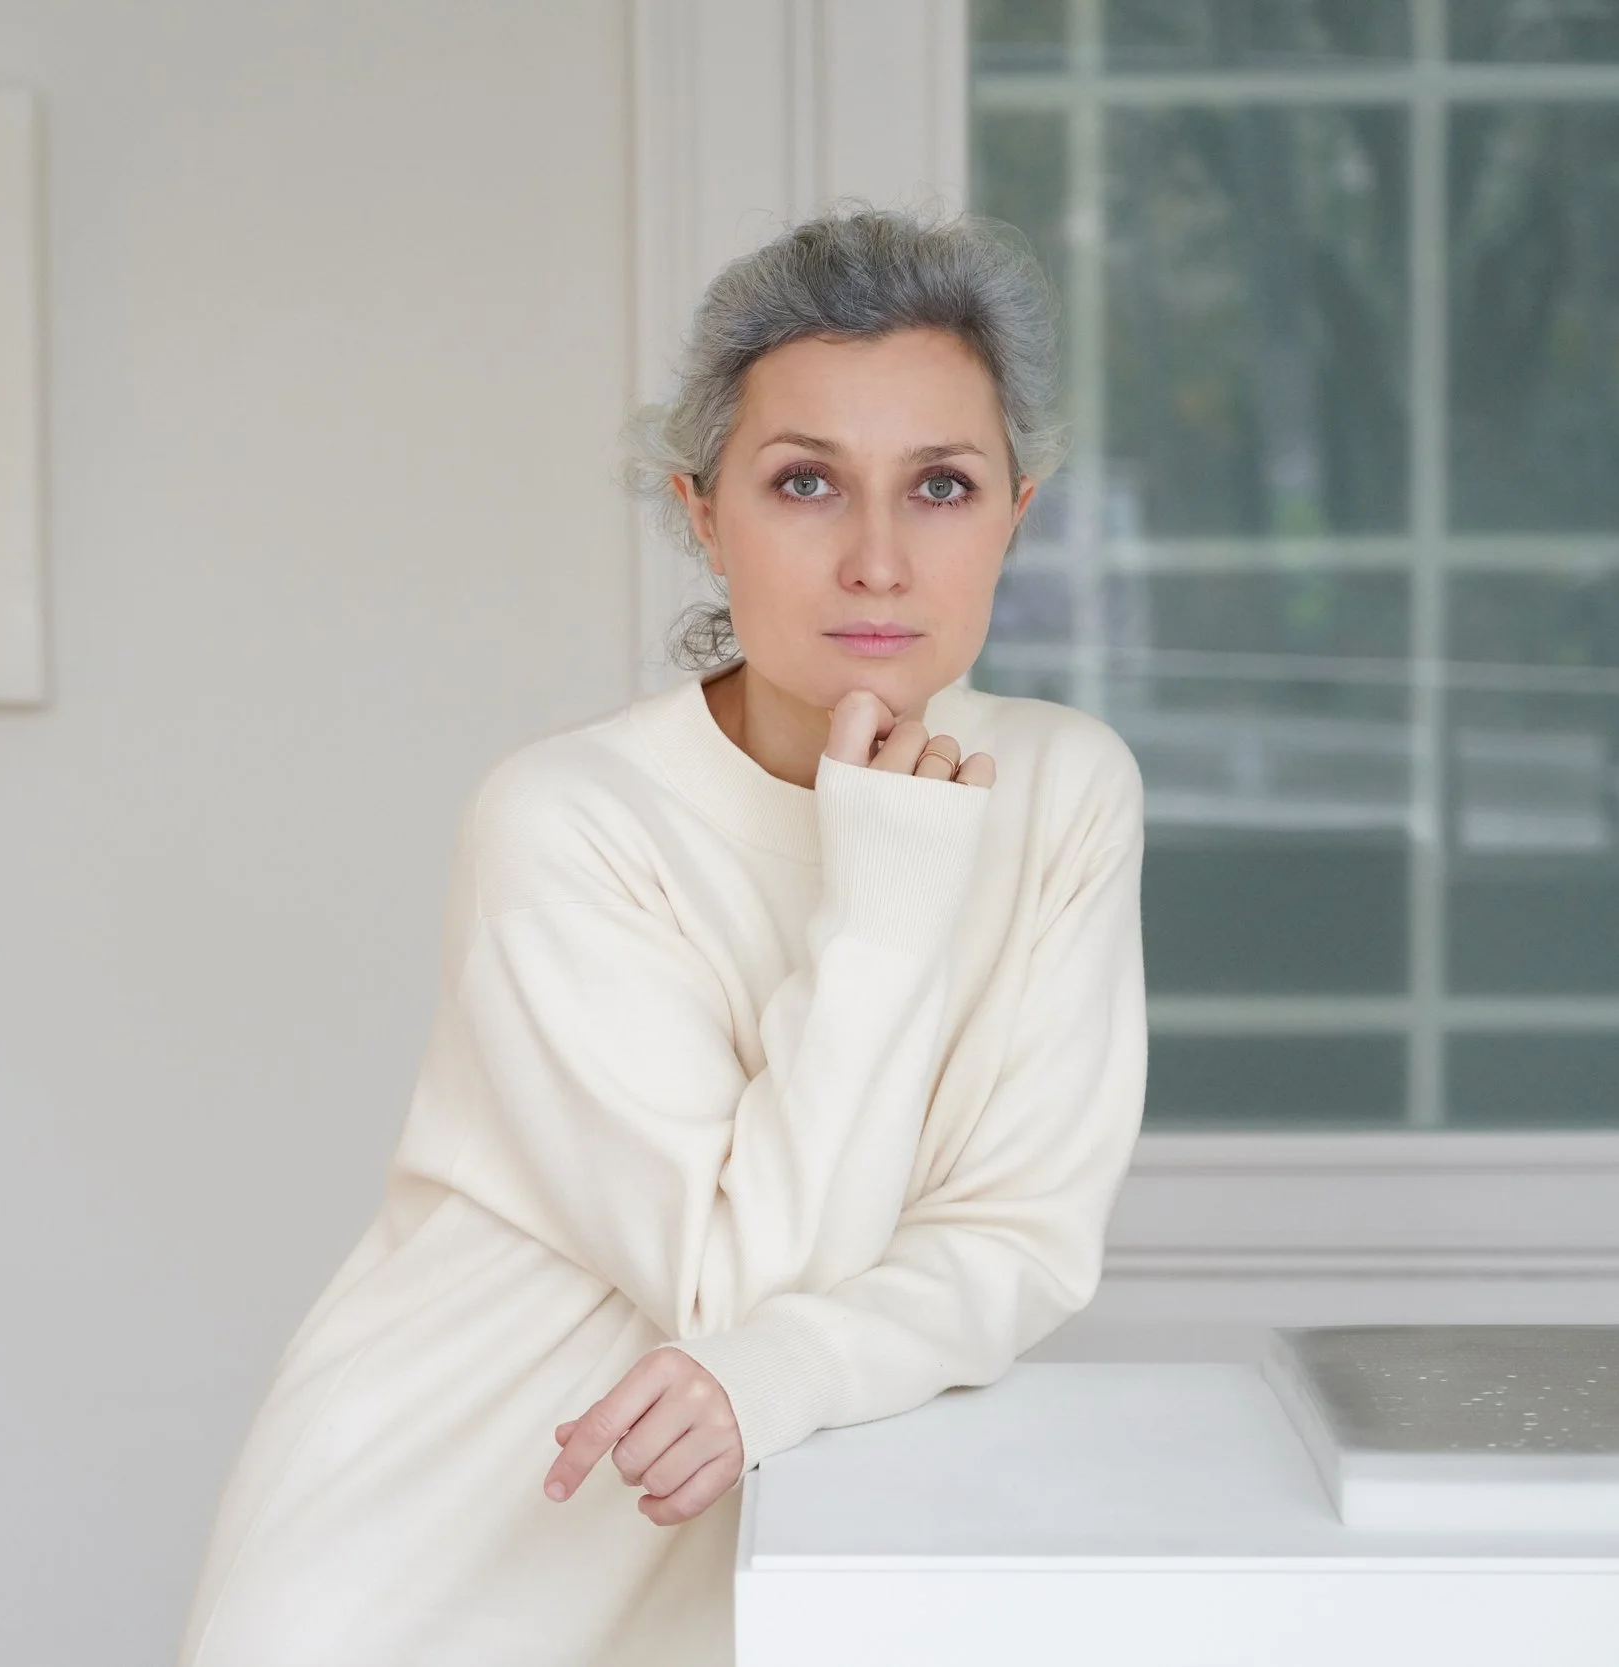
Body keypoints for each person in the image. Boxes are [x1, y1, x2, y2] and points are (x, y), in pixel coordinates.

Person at [174, 202, 1148, 1667]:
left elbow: (1018, 1241)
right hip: (438, 1558)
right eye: (806, 482)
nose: (879, 559)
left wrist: (787, 1372)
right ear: (702, 513)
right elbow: (737, 1290)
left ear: (1017, 509)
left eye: (941, 486)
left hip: (755, 1572)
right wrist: (888, 894)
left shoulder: (1066, 790)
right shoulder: (569, 821)